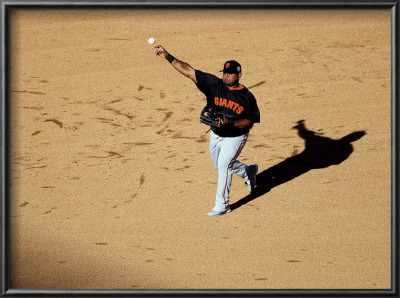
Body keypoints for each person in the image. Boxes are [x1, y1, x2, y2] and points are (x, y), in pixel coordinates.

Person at [155, 45, 260, 216]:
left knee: (224, 165)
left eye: (230, 73)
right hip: (216, 134)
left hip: (236, 136)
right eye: (225, 73)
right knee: (220, 164)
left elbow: (249, 122)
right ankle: (248, 172)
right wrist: (168, 56)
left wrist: (229, 122)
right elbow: (189, 71)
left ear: (239, 75)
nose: (226, 76)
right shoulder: (213, 84)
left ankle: (222, 205)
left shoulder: (247, 97)